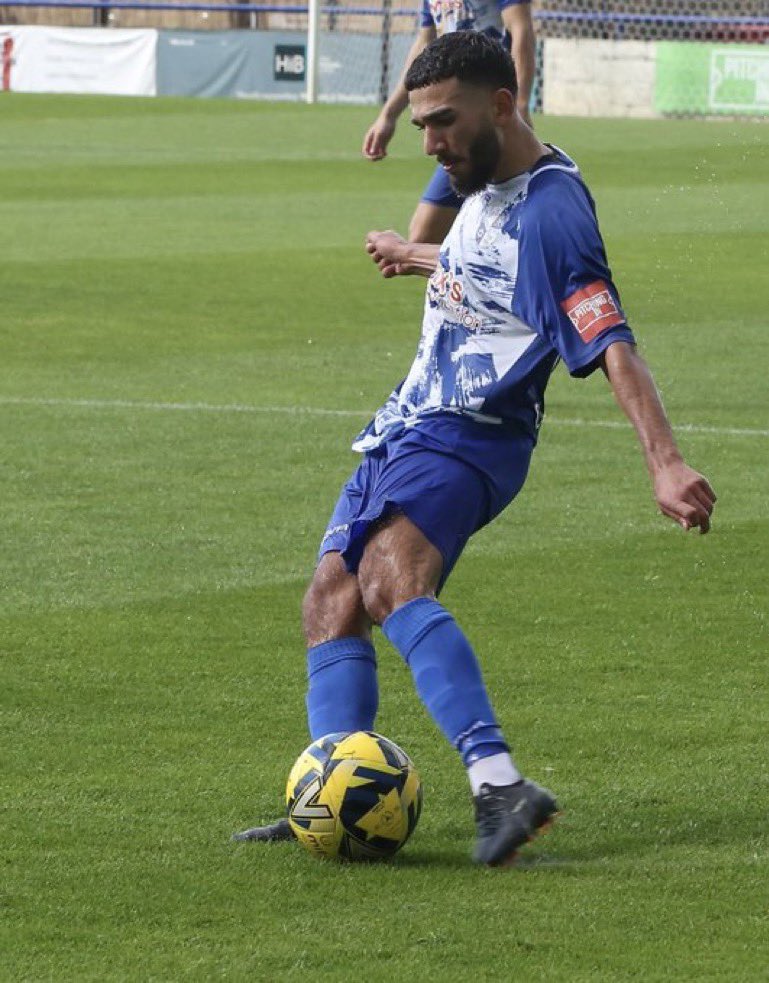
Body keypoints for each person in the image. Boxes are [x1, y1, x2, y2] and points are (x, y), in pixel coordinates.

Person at [234, 31, 716, 866]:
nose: (430, 143)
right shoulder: (483, 181)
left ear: (502, 104)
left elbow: (609, 339)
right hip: (409, 417)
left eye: (443, 122)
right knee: (328, 598)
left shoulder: (554, 210)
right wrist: (414, 253)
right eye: (420, 124)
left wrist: (663, 461)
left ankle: (500, 782)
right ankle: (333, 788)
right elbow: (485, 267)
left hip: (474, 432)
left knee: (390, 581)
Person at [362, 0, 536, 244]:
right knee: (426, 236)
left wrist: (519, 104)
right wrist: (389, 115)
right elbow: (425, 44)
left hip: (484, 118)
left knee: (427, 236)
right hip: (456, 114)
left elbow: (521, 29)